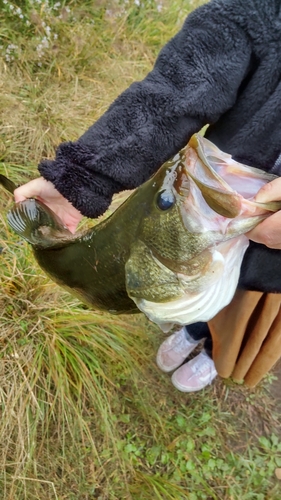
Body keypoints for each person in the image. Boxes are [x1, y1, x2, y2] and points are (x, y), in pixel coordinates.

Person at [14, 0, 281, 392]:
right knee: (194, 280)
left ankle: (212, 352)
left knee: (246, 315)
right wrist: (81, 178)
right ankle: (192, 329)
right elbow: (174, 93)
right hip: (210, 216)